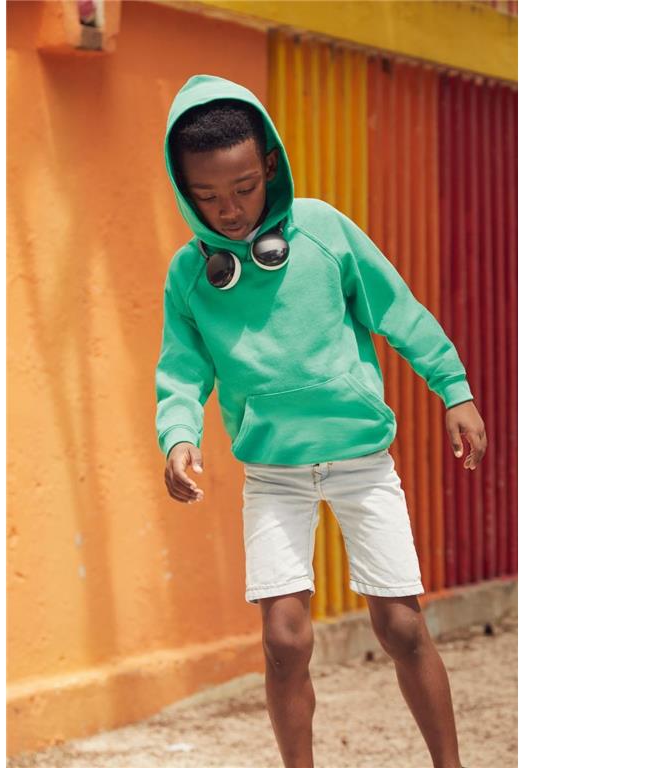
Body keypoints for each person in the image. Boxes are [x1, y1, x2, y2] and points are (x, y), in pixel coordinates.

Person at [155, 73, 486, 768]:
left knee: (401, 625)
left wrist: (453, 388)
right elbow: (181, 371)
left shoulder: (324, 230)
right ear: (184, 190)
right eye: (207, 196)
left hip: (361, 460)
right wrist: (179, 436)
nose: (229, 209)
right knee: (283, 641)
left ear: (271, 166)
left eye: (245, 187)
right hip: (273, 473)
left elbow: (397, 310)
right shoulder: (190, 276)